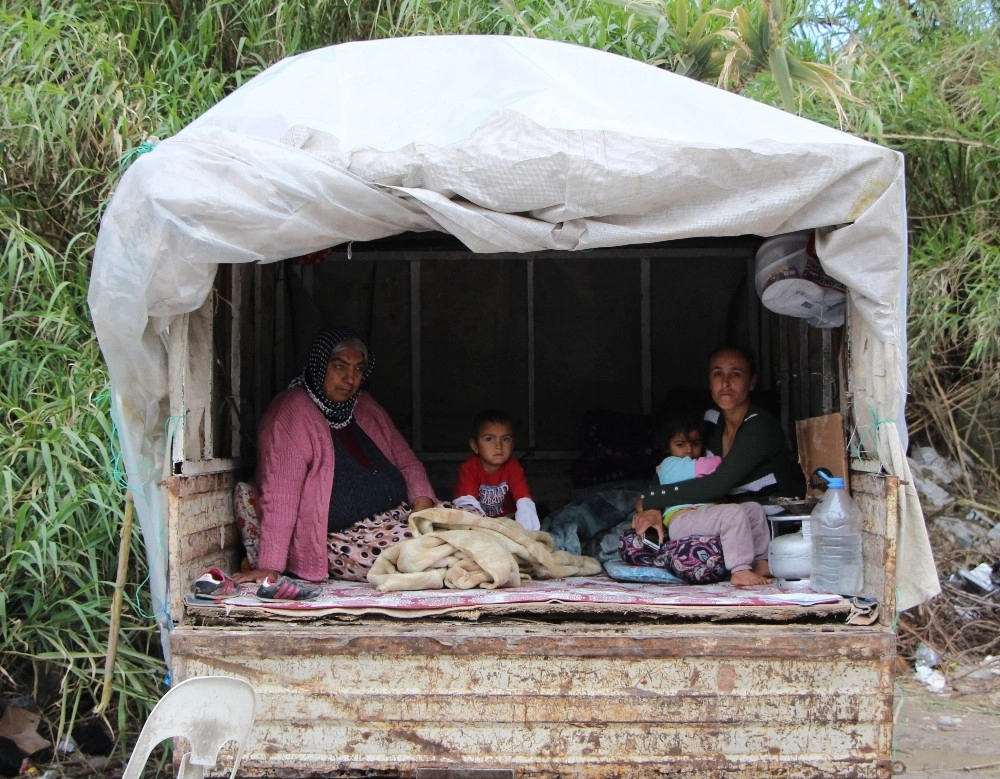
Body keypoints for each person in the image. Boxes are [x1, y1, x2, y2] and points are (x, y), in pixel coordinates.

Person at [234, 327, 436, 585]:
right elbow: (280, 495)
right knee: (439, 556)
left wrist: (422, 509)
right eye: (339, 367)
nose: (350, 379)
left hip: (400, 518)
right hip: (348, 539)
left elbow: (407, 461)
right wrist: (270, 565)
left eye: (358, 369)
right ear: (320, 366)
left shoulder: (363, 405)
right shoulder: (291, 414)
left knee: (472, 531)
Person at [632, 345, 805, 580]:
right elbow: (674, 467)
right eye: (717, 374)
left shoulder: (760, 426)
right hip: (723, 519)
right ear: (710, 382)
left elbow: (716, 485)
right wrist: (652, 507)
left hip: (767, 525)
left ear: (751, 382)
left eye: (735, 374)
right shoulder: (711, 421)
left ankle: (750, 567)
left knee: (735, 517)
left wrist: (651, 498)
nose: (725, 383)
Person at [644, 409, 772, 586]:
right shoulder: (668, 464)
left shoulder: (694, 460)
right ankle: (740, 570)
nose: (689, 450)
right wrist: (735, 456)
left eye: (695, 443)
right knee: (732, 512)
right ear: (667, 446)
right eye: (680, 444)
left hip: (704, 514)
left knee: (753, 509)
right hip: (682, 519)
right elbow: (712, 467)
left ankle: (760, 562)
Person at [453, 408, 540, 531]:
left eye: (505, 439)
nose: (498, 446)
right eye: (489, 439)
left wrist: (527, 532)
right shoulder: (470, 468)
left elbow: (524, 502)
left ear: (512, 445)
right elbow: (467, 505)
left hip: (508, 522)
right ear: (475, 446)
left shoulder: (513, 467)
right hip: (480, 524)